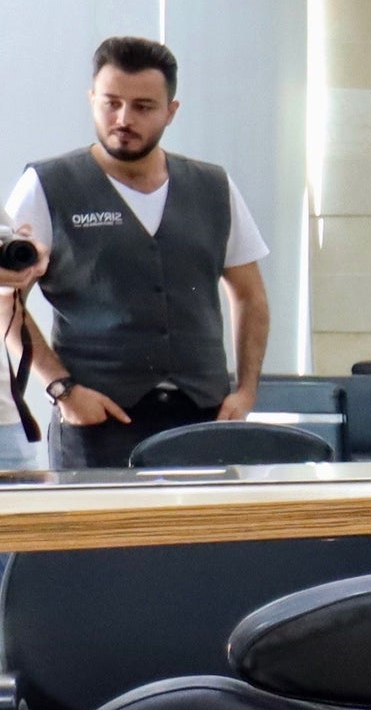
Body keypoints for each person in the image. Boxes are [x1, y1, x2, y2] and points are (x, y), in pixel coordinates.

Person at [0, 37, 273, 469]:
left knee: (206, 537)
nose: (123, 119)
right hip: (97, 420)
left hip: (205, 415)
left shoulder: (213, 187)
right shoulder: (47, 184)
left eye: (143, 107)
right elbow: (5, 303)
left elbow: (250, 295)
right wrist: (62, 390)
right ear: (92, 99)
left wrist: (246, 391)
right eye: (111, 103)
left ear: (171, 111)